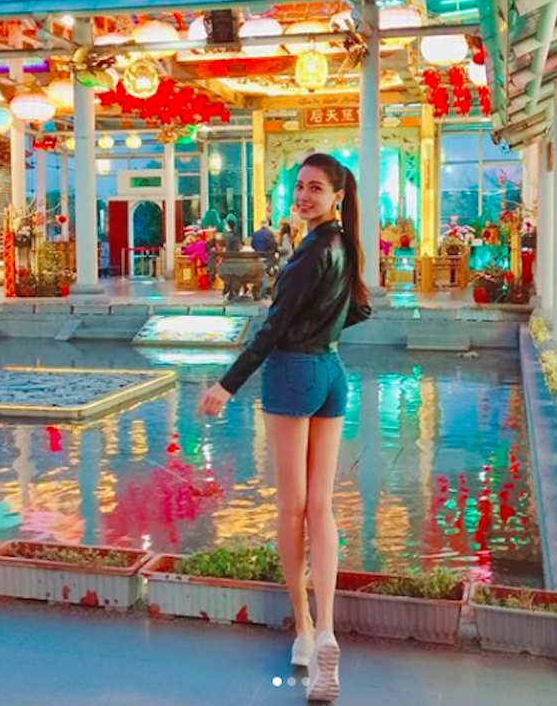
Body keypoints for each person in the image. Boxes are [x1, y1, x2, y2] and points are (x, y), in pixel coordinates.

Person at [197, 153, 371, 703]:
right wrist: (322, 325)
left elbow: (271, 330)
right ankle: (328, 630)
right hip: (332, 372)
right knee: (321, 506)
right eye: (299, 187)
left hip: (293, 374)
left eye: (315, 188)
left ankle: (304, 630)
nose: (303, 196)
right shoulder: (344, 244)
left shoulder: (310, 253)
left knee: (291, 508)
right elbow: (360, 309)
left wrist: (226, 385)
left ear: (336, 196)